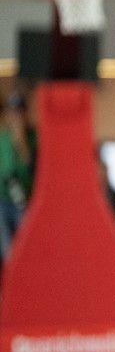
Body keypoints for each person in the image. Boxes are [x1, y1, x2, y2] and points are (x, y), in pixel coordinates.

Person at [0, 92, 36, 259]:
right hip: (4, 200)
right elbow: (6, 172)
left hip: (27, 201)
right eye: (13, 112)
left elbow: (33, 167)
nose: (16, 117)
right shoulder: (3, 139)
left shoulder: (35, 137)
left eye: (20, 112)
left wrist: (21, 142)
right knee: (8, 251)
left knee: (27, 248)